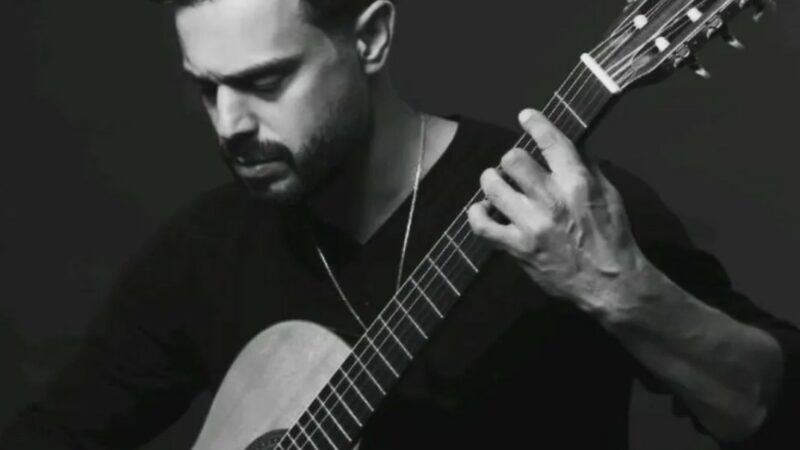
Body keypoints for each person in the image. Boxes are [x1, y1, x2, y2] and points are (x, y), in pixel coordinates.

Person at [1, 0, 798, 448]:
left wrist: (624, 295)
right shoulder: (206, 250)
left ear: (371, 39)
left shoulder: (563, 215)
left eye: (266, 81)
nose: (230, 124)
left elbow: (774, 408)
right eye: (206, 88)